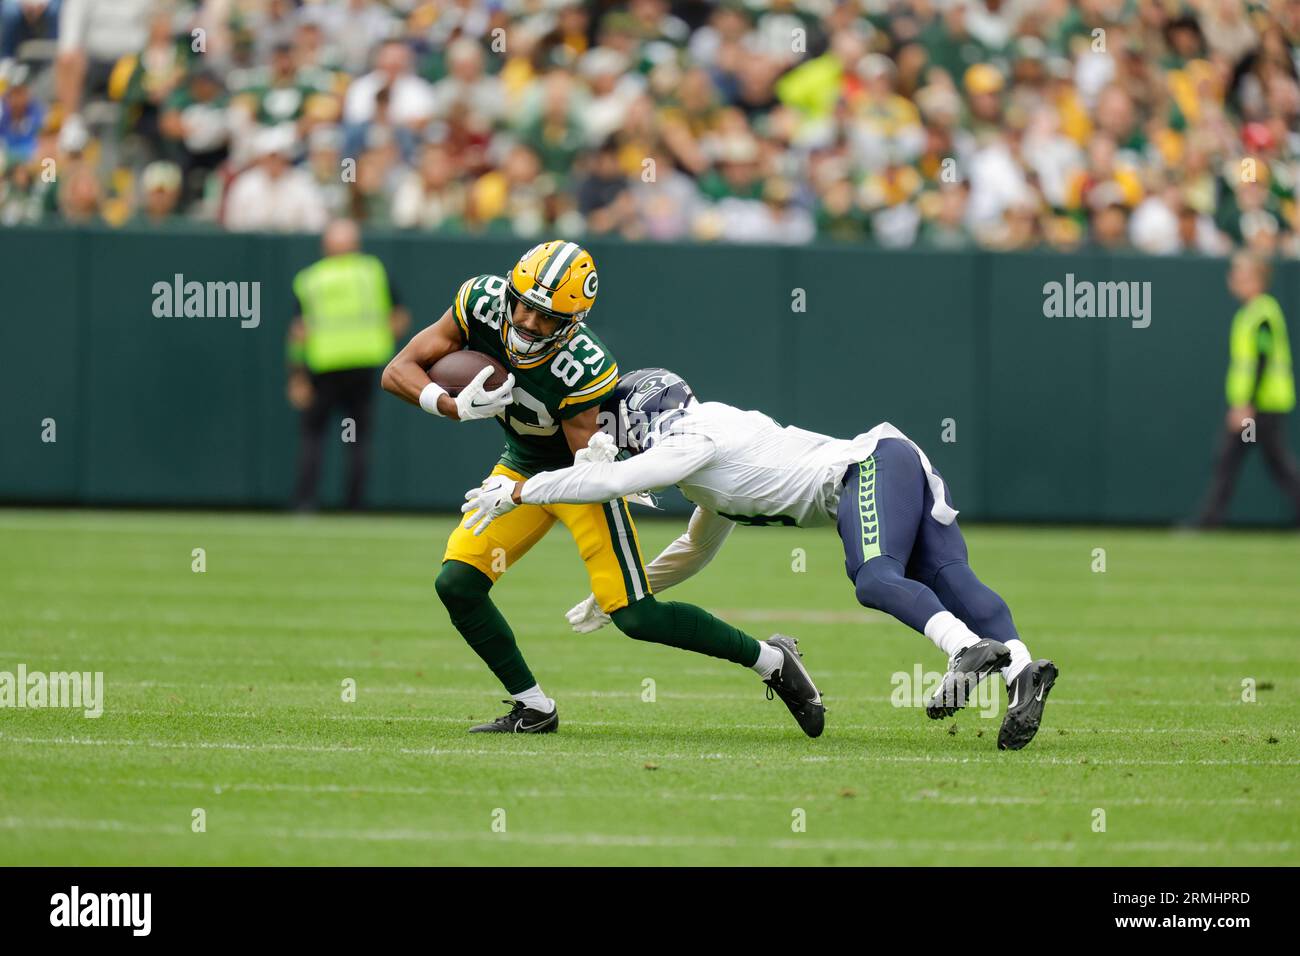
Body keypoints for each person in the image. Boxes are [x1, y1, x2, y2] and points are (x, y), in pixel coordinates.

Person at [462, 369, 1058, 750]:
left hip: (867, 468)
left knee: (875, 578)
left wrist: (519, 490)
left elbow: (619, 477)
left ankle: (965, 651)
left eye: (615, 424)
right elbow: (694, 550)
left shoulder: (692, 439)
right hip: (890, 464)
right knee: (949, 579)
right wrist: (618, 590)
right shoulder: (703, 467)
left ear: (641, 413)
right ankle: (1023, 674)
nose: (610, 435)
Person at [381, 241, 824, 736]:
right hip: (521, 464)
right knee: (457, 584)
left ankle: (771, 660)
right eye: (524, 304)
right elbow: (397, 370)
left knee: (636, 617)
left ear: (573, 321)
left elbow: (583, 464)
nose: (529, 322)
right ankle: (534, 708)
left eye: (548, 317)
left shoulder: (586, 364)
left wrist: (535, 492)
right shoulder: (479, 302)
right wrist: (450, 405)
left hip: (578, 478)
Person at [288, 219, 407, 511]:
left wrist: (296, 375)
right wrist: (381, 344)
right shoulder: (372, 271)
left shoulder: (310, 278)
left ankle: (306, 503)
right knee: (357, 437)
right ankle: (354, 505)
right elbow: (399, 318)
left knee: (314, 435)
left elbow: (298, 331)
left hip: (324, 365)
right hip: (363, 365)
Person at [1195, 251, 1300, 527]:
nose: (1234, 280)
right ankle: (1210, 519)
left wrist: (1246, 406)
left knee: (1246, 460)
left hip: (1261, 408)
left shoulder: (1262, 313)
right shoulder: (1251, 312)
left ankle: (1209, 520)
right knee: (1239, 460)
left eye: (1241, 276)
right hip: (1257, 406)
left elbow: (1262, 360)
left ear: (1256, 281)